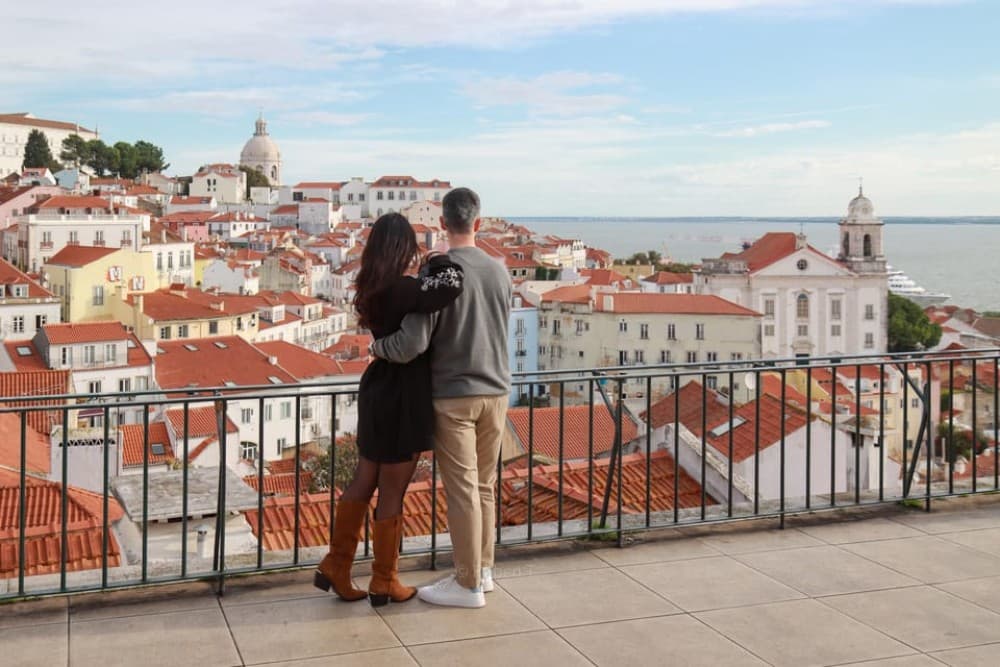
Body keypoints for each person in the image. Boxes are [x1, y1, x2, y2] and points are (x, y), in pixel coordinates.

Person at [314, 212, 464, 607]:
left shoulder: (372, 287)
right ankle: (385, 579)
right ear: (403, 248)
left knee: (365, 478)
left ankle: (337, 564)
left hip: (377, 387)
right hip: (404, 392)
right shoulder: (402, 289)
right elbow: (450, 287)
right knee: (393, 490)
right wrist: (439, 259)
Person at [374, 187, 511, 609]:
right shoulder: (500, 270)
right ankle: (483, 572)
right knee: (485, 487)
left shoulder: (439, 271)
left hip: (454, 393)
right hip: (498, 391)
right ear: (479, 222)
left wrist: (377, 348)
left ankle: (467, 584)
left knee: (463, 491)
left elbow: (413, 342)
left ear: (441, 224)